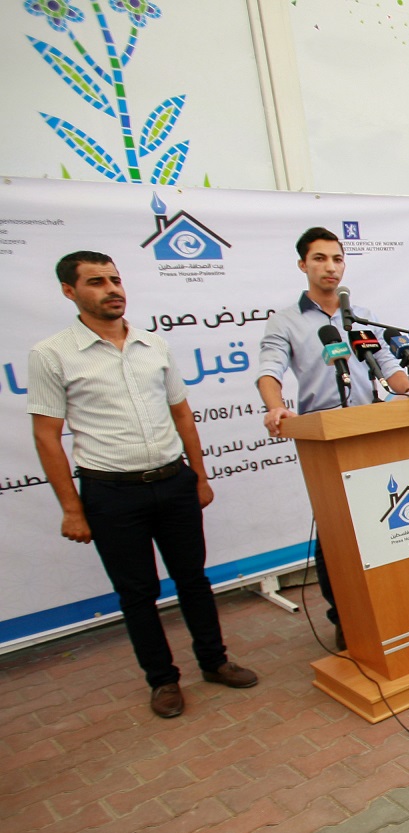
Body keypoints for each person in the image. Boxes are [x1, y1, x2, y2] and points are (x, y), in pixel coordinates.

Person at [30, 252, 257, 719]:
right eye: (96, 282)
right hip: (111, 494)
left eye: (115, 279)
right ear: (69, 291)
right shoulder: (51, 355)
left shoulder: (153, 345)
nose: (112, 289)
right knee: (137, 593)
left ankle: (214, 662)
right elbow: (46, 436)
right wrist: (72, 509)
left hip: (174, 483)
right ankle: (163, 681)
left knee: (193, 580)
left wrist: (199, 476)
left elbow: (182, 415)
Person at [257, 227, 409, 647]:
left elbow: (387, 367)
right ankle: (343, 615)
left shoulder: (359, 317)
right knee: (336, 533)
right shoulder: (285, 321)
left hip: (371, 430)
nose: (330, 267)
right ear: (303, 265)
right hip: (325, 437)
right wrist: (275, 406)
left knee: (381, 520)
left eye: (337, 258)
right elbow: (269, 371)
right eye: (320, 258)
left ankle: (388, 603)